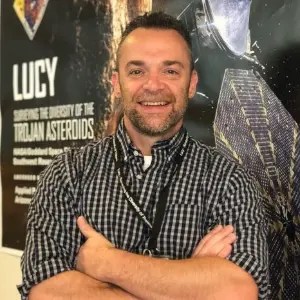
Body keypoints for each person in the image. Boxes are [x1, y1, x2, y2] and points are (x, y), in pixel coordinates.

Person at [19, 12, 269, 300]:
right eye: (137, 71)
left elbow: (240, 291)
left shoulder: (229, 181)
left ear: (191, 84)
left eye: (170, 71)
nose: (153, 85)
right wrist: (191, 284)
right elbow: (45, 291)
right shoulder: (66, 175)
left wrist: (107, 263)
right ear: (116, 83)